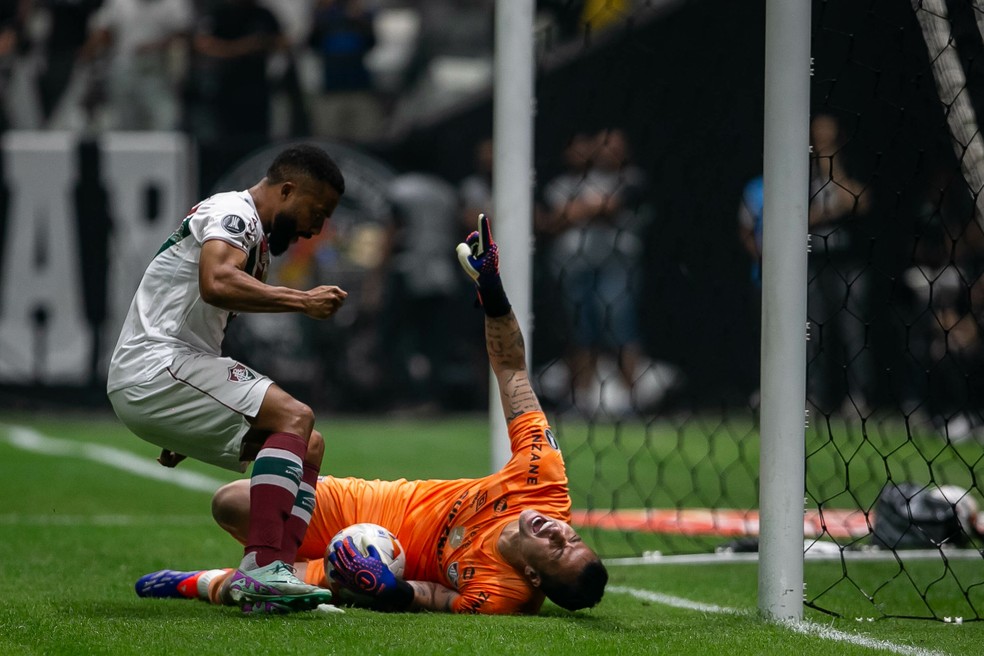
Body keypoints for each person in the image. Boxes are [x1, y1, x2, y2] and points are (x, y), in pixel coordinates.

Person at [135, 215, 609, 615]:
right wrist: (492, 291)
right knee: (233, 503)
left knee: (283, 587)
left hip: (388, 562)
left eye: (558, 550)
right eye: (573, 537)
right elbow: (512, 372)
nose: (560, 531)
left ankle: (194, 582)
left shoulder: (503, 594)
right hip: (375, 506)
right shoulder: (543, 482)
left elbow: (434, 595)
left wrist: (387, 589)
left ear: (531, 574)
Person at [107, 144, 348, 614]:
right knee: (295, 415)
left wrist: (189, 419)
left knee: (309, 443)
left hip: (171, 376)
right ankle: (262, 570)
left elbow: (209, 319)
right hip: (156, 365)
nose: (315, 229)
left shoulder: (255, 247)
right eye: (315, 213)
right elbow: (215, 281)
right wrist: (301, 301)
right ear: (286, 189)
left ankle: (276, 586)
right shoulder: (233, 212)